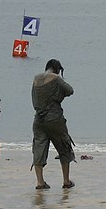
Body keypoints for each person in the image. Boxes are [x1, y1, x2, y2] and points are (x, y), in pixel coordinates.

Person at [31, 59, 75, 190]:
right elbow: (70, 90)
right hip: (55, 119)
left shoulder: (36, 78)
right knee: (64, 147)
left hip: (38, 119)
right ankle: (66, 181)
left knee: (38, 149)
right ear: (57, 69)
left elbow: (33, 98)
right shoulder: (55, 77)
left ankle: (40, 182)